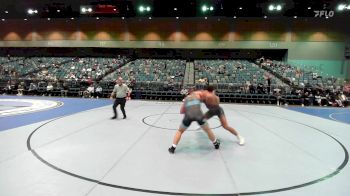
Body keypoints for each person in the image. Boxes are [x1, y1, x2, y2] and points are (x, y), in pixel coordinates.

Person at [168, 89, 220, 154]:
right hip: (199, 115)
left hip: (188, 116)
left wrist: (186, 104)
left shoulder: (186, 99)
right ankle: (216, 144)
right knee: (207, 130)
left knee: (180, 131)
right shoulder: (197, 95)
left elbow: (181, 111)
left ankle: (173, 148)